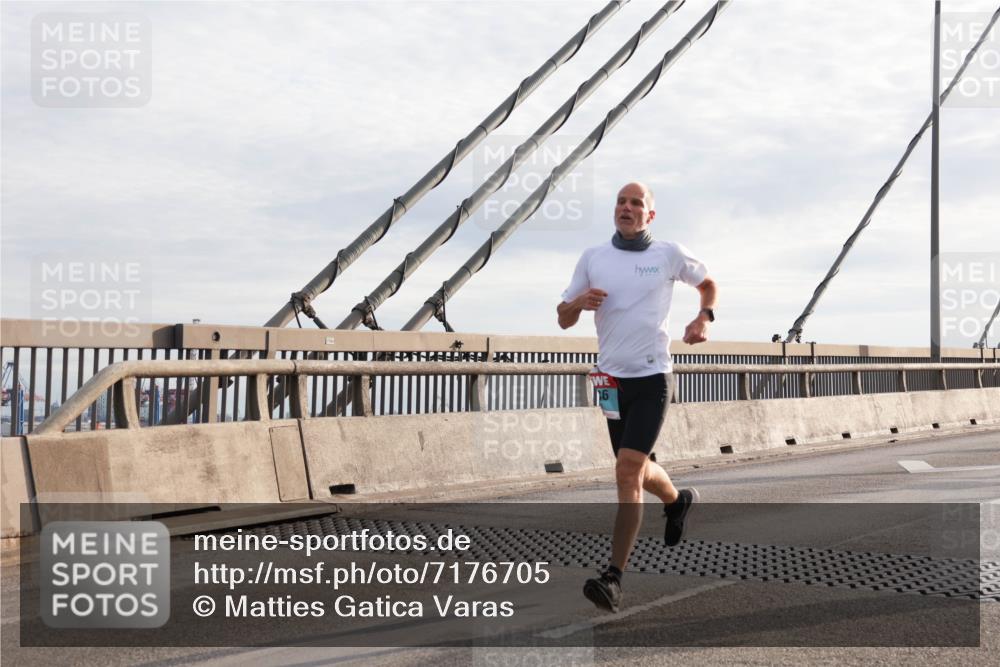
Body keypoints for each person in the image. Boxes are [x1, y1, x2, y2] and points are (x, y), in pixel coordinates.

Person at [557, 182, 717, 613]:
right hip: (610, 382)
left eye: (636, 204)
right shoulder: (593, 257)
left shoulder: (666, 254)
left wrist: (703, 317)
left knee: (626, 471)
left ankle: (613, 577)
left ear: (650, 215)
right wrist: (579, 302)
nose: (626, 208)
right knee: (635, 468)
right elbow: (563, 319)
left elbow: (708, 284)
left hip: (652, 378)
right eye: (621, 202)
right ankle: (677, 500)